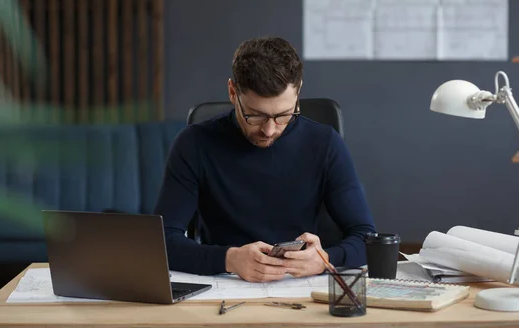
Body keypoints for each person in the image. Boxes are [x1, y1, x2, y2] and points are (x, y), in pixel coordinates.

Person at [153, 36, 376, 283]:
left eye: (283, 115)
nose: (269, 130)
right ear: (232, 92)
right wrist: (229, 259)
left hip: (301, 287)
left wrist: (325, 259)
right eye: (255, 116)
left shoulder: (325, 143)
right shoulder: (194, 144)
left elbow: (366, 238)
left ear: (298, 91)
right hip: (226, 284)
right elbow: (162, 242)